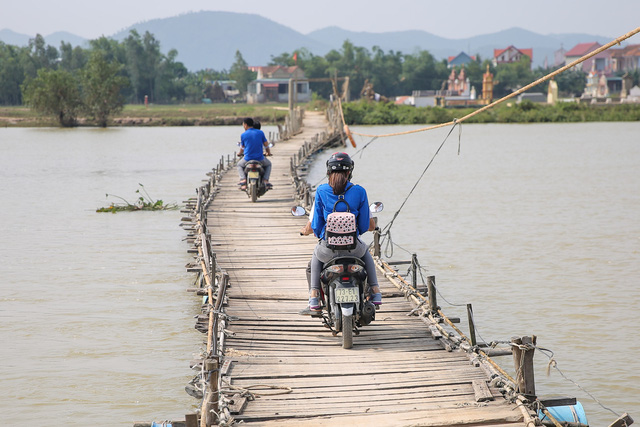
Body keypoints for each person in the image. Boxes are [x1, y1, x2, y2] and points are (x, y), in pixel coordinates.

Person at [300, 152, 381, 310]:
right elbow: (365, 225)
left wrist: (314, 233)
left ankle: (314, 295)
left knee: (316, 256)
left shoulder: (322, 191)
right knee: (367, 254)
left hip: (328, 250)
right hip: (353, 250)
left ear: (328, 171)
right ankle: (376, 291)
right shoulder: (359, 191)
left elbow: (316, 224)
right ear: (349, 172)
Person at [237, 117, 272, 190]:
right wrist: (268, 152)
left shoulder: (243, 135)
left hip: (247, 159)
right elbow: (266, 145)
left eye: (243, 124)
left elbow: (242, 148)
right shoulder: (260, 132)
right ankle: (265, 180)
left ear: (246, 125)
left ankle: (243, 179)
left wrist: (239, 153)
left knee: (239, 165)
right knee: (268, 164)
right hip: (260, 158)